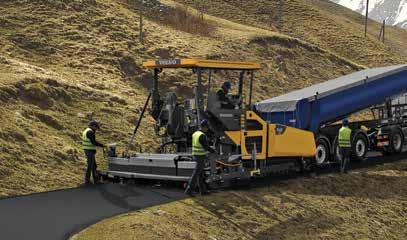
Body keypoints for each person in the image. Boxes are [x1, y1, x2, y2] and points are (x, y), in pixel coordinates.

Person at [184, 119, 216, 196]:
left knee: (200, 174)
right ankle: (189, 190)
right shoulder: (202, 135)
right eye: (207, 127)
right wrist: (213, 151)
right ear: (204, 127)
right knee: (196, 174)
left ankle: (203, 191)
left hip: (196, 154)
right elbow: (206, 147)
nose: (207, 129)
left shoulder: (195, 133)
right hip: (200, 156)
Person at [82, 120, 105, 185]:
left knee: (94, 166)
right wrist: (102, 145)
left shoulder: (87, 130)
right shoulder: (90, 132)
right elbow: (93, 142)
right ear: (94, 126)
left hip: (88, 150)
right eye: (96, 128)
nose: (97, 130)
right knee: (90, 165)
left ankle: (96, 180)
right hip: (89, 151)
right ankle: (87, 181)